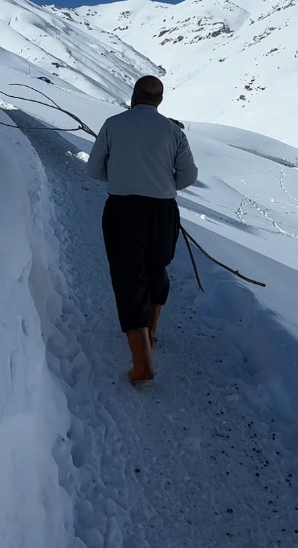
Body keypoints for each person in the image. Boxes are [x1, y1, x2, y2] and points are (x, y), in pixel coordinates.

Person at [87, 76, 198, 384]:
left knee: (128, 277)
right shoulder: (173, 131)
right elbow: (189, 175)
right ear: (160, 100)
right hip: (163, 211)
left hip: (123, 209)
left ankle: (142, 365)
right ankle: (151, 333)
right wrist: (161, 185)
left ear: (133, 96)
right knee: (156, 267)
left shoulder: (113, 124)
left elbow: (94, 170)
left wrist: (123, 175)